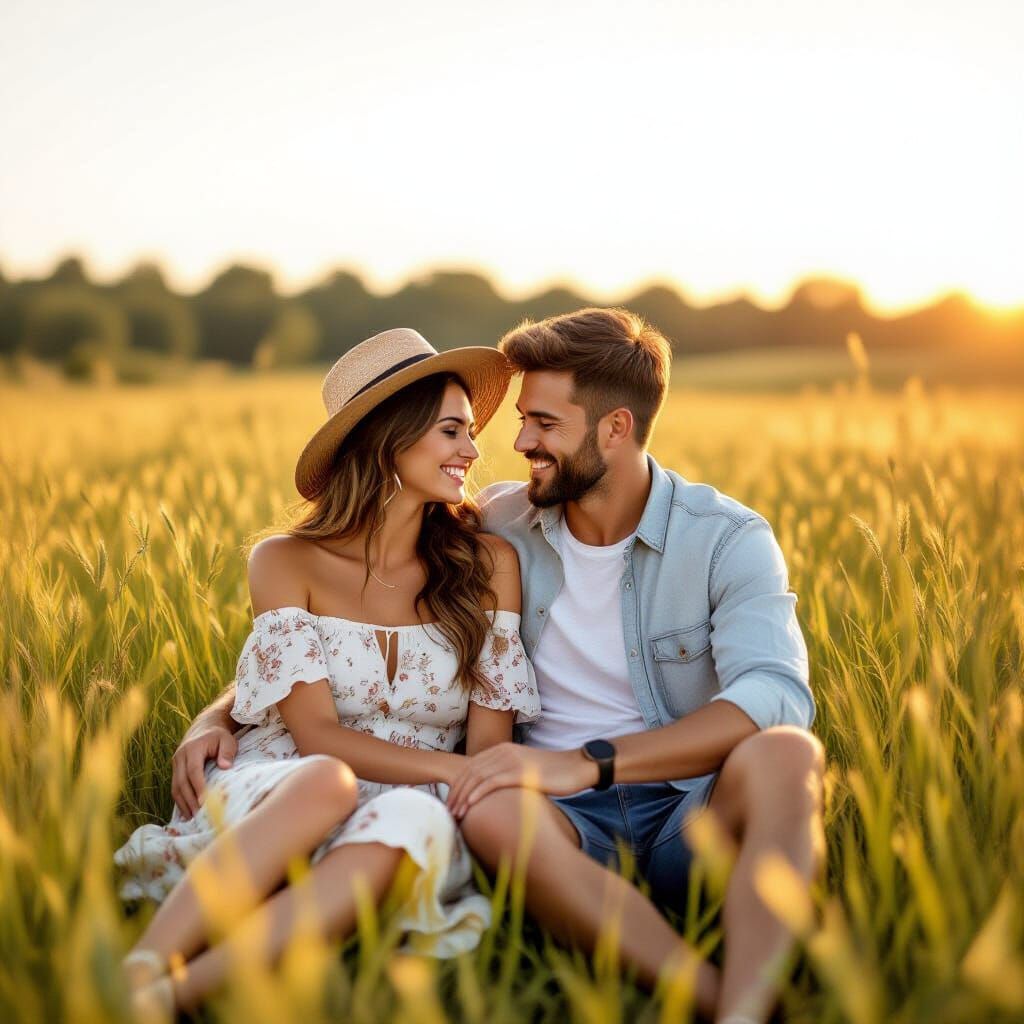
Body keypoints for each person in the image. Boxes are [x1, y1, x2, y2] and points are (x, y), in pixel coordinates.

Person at [172, 309, 825, 1024]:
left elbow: (776, 693)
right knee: (491, 813)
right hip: (545, 816)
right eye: (518, 422)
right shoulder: (495, 526)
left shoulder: (726, 539)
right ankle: (716, 1005)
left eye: (543, 423)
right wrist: (219, 713)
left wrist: (591, 762)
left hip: (689, 809)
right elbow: (338, 639)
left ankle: (747, 1007)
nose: (517, 444)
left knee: (787, 752)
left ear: (614, 428)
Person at [115, 329, 540, 1018]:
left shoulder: (487, 566)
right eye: (451, 430)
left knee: (407, 818)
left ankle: (169, 997)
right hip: (285, 784)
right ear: (387, 439)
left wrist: (464, 778)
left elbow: (488, 749)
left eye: (471, 431)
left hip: (421, 798)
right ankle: (143, 964)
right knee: (326, 780)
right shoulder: (286, 561)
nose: (473, 450)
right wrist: (212, 717)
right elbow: (315, 735)